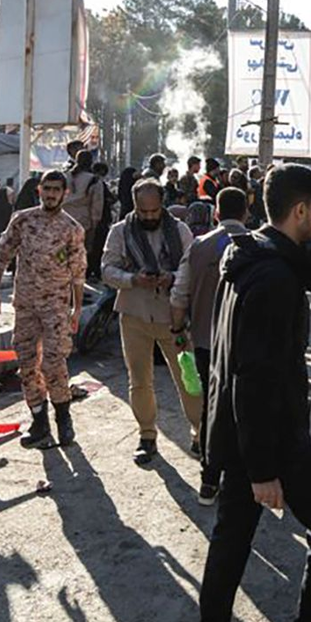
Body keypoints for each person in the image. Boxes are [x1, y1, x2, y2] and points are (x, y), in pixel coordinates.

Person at [188, 164, 311, 622]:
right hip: (268, 438)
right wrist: (264, 467)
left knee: (231, 540)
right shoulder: (272, 277)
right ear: (300, 210)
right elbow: (256, 377)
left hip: (241, 432)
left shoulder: (248, 256)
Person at [101, 177, 203, 465]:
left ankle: (200, 434)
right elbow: (107, 269)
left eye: (153, 211)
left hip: (173, 317)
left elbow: (192, 268)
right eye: (142, 212)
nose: (148, 217)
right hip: (133, 314)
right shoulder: (120, 232)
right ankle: (147, 435)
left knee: (189, 379)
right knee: (140, 381)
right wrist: (133, 279)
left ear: (162, 206)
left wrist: (171, 277)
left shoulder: (180, 230)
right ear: (134, 206)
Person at [0, 170, 87, 449]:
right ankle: (39, 420)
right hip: (26, 306)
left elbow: (78, 273)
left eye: (57, 189)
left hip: (56, 308)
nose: (51, 194)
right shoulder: (23, 220)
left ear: (65, 193)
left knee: (54, 363)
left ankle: (63, 418)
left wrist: (77, 309)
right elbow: (1, 256)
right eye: (47, 188)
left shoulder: (72, 229)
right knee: (27, 363)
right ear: (39, 190)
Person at [170, 186, 251, 504]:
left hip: (206, 344)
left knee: (212, 411)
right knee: (245, 409)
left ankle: (209, 479)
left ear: (216, 212)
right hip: (246, 344)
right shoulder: (258, 246)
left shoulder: (199, 246)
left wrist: (178, 329)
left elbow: (179, 295)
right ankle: (244, 477)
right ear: (246, 212)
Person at [62, 149, 104, 250]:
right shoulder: (94, 180)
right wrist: (94, 227)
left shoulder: (65, 176)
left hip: (63, 219)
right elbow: (96, 206)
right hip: (83, 223)